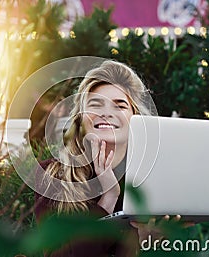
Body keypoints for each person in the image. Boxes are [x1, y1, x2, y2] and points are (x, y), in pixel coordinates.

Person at [34, 60, 165, 257]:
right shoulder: (52, 176)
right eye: (95, 105)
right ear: (80, 118)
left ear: (135, 118)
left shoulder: (151, 181)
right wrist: (109, 197)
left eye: (120, 106)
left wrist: (149, 244)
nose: (106, 113)